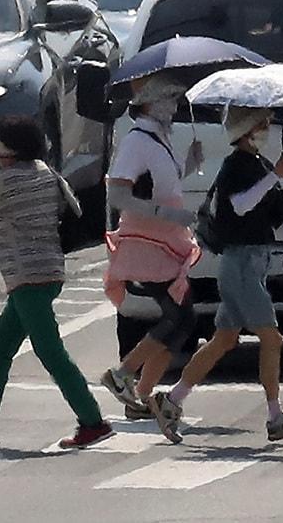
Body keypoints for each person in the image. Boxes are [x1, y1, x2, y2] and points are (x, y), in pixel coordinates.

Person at [150, 106, 283, 445]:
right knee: (271, 339)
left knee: (224, 340)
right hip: (239, 264)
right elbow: (240, 205)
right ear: (245, 131)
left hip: (252, 264)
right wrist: (275, 176)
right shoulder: (234, 167)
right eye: (262, 124)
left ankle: (170, 401)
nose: (267, 130)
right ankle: (275, 417)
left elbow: (280, 214)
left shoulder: (260, 165)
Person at [0, 116, 114, 450]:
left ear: (10, 153)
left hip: (25, 277)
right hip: (49, 272)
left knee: (50, 352)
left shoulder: (6, 181)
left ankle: (93, 421)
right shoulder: (48, 174)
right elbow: (69, 206)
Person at [100, 75, 202, 421]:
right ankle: (125, 375)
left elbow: (162, 185)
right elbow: (118, 195)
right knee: (179, 317)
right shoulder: (136, 141)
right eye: (168, 100)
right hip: (148, 243)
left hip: (168, 240)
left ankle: (139, 393)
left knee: (181, 321)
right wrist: (165, 213)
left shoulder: (159, 138)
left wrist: (189, 165)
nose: (173, 107)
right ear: (147, 104)